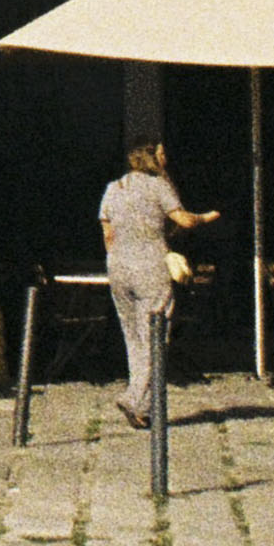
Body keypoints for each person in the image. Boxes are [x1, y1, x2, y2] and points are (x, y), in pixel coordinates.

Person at [97, 135, 212, 428]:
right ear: (152, 155)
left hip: (119, 266)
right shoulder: (159, 186)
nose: (166, 158)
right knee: (155, 336)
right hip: (149, 264)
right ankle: (136, 399)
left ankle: (142, 405)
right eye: (162, 153)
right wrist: (205, 218)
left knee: (133, 337)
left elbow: (107, 234)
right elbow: (183, 220)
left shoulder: (114, 189)